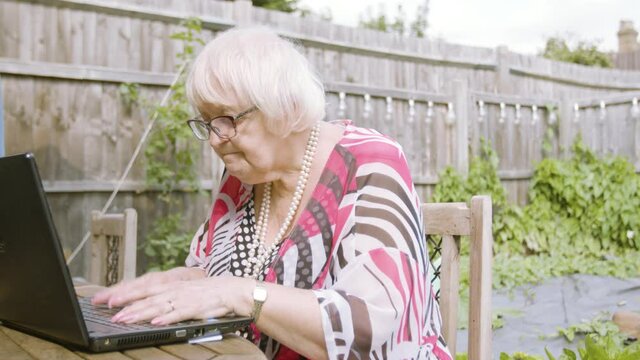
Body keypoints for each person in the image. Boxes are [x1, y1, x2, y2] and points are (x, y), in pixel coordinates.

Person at [92, 26, 451, 360]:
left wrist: (241, 293)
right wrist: (171, 282)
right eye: (207, 122)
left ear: (286, 108)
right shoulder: (245, 175)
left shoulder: (372, 162)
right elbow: (217, 276)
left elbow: (372, 327)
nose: (215, 139)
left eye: (228, 119)